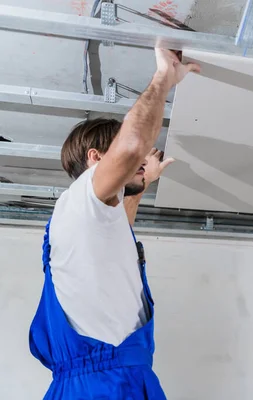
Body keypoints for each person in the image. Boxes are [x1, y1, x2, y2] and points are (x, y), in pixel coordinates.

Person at [28, 48, 200, 399]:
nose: (138, 161)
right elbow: (134, 144)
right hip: (99, 384)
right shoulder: (80, 198)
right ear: (95, 158)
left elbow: (117, 234)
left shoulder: (94, 219)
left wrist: (140, 184)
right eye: (122, 157)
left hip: (117, 378)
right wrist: (164, 78)